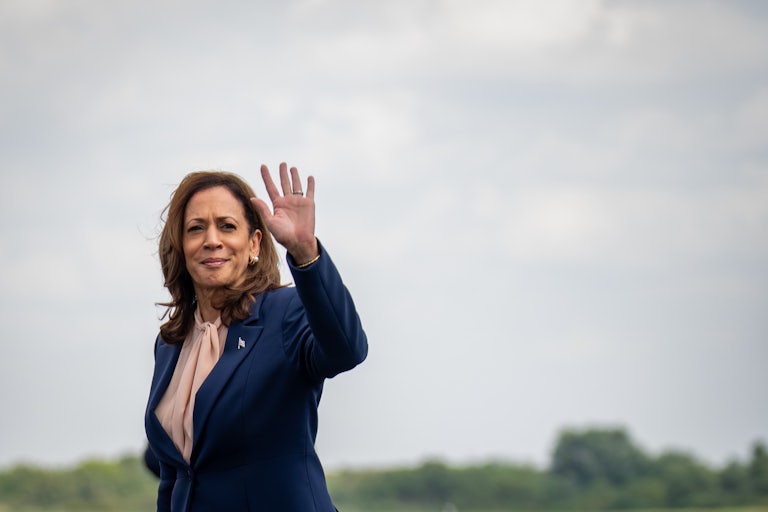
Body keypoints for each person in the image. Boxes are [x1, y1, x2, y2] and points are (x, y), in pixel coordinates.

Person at [144, 163, 367, 511]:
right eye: (196, 228)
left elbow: (346, 350)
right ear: (181, 246)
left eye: (227, 226)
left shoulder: (286, 314)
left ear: (253, 244)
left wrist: (306, 252)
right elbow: (175, 476)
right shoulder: (171, 344)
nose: (212, 240)